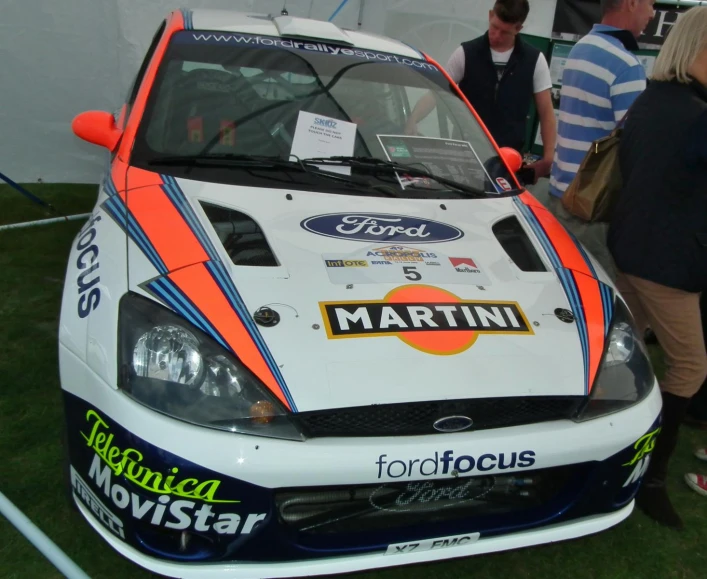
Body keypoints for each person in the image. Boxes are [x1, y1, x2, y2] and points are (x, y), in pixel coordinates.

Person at [606, 6, 707, 529]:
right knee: (689, 367)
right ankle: (651, 479)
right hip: (667, 262)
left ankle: (621, 458)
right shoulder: (694, 113)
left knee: (625, 361)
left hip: (633, 248)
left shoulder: (651, 101)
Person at [538, 0, 656, 280]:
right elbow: (637, 146)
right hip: (593, 209)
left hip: (560, 196)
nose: (652, 13)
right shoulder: (626, 65)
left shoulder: (580, 49)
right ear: (631, 3)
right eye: (650, 3)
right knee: (599, 304)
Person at [404, 0, 556, 183]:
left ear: (518, 28)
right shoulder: (465, 53)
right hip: (464, 158)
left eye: (505, 31)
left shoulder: (535, 61)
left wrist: (548, 158)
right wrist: (413, 119)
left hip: (509, 162)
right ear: (490, 15)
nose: (496, 35)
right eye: (494, 27)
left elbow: (546, 112)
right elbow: (437, 93)